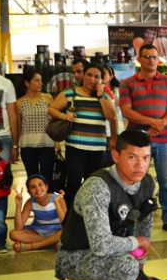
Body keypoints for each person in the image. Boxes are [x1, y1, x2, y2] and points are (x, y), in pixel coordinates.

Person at [47, 130, 157, 280]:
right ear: (116, 155)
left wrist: (141, 268)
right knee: (126, 264)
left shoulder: (147, 183)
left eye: (146, 158)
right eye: (132, 157)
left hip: (116, 256)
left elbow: (144, 227)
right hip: (76, 257)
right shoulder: (98, 186)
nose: (141, 165)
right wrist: (135, 246)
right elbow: (101, 244)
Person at [119, 44, 167, 233]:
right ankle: (132, 217)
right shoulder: (128, 83)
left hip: (166, 142)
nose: (152, 60)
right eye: (147, 56)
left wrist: (160, 123)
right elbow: (126, 111)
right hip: (138, 143)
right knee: (134, 180)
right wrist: (152, 122)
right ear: (139, 59)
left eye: (155, 57)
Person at [48, 62, 117, 209]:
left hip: (97, 148)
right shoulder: (70, 93)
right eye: (89, 75)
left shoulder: (104, 95)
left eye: (96, 77)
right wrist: (63, 115)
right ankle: (68, 219)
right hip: (75, 147)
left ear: (101, 79)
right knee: (73, 183)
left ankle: (89, 213)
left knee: (92, 183)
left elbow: (111, 116)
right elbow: (51, 109)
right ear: (83, 75)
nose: (92, 79)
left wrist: (100, 96)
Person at [16, 68, 56, 182]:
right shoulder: (19, 102)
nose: (40, 83)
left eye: (41, 80)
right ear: (27, 83)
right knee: (32, 179)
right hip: (27, 146)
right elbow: (19, 126)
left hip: (47, 144)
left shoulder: (47, 98)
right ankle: (33, 200)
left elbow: (54, 120)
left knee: (47, 179)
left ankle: (48, 200)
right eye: (37, 80)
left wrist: (56, 141)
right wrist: (15, 146)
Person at [10, 175, 66, 252]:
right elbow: (18, 228)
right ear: (29, 192)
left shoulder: (57, 199)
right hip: (39, 231)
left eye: (40, 185)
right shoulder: (30, 202)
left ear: (46, 187)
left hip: (57, 230)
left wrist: (56, 203)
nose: (37, 188)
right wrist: (18, 206)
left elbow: (65, 223)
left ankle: (34, 246)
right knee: (13, 234)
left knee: (66, 231)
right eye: (33, 187)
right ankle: (52, 242)